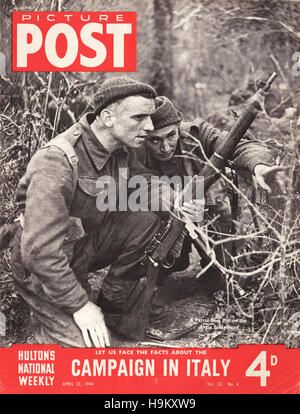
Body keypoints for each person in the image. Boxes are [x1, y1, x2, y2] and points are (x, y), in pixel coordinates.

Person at [10, 76, 167, 348]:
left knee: (148, 217)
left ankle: (113, 301)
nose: (150, 127)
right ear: (107, 117)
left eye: (150, 117)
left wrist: (171, 197)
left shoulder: (121, 148)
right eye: (139, 117)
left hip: (83, 247)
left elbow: (142, 183)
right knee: (87, 353)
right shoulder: (57, 160)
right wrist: (80, 305)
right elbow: (38, 252)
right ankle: (42, 323)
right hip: (42, 265)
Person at [135, 96, 283, 292]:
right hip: (163, 222)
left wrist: (259, 165)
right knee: (150, 271)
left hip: (207, 220)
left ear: (179, 127)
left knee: (224, 283)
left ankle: (213, 265)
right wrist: (172, 203)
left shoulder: (196, 133)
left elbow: (239, 144)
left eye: (171, 136)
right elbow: (134, 185)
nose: (165, 147)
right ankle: (172, 262)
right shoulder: (135, 148)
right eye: (155, 140)